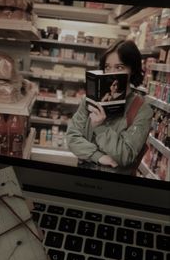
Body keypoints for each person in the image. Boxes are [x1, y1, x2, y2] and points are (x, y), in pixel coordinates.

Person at [66, 40, 153, 172]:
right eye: (107, 67)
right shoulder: (89, 100)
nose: (112, 73)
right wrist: (98, 156)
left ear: (132, 70)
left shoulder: (142, 109)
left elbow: (126, 155)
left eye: (119, 67)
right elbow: (72, 136)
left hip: (114, 187)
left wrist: (100, 128)